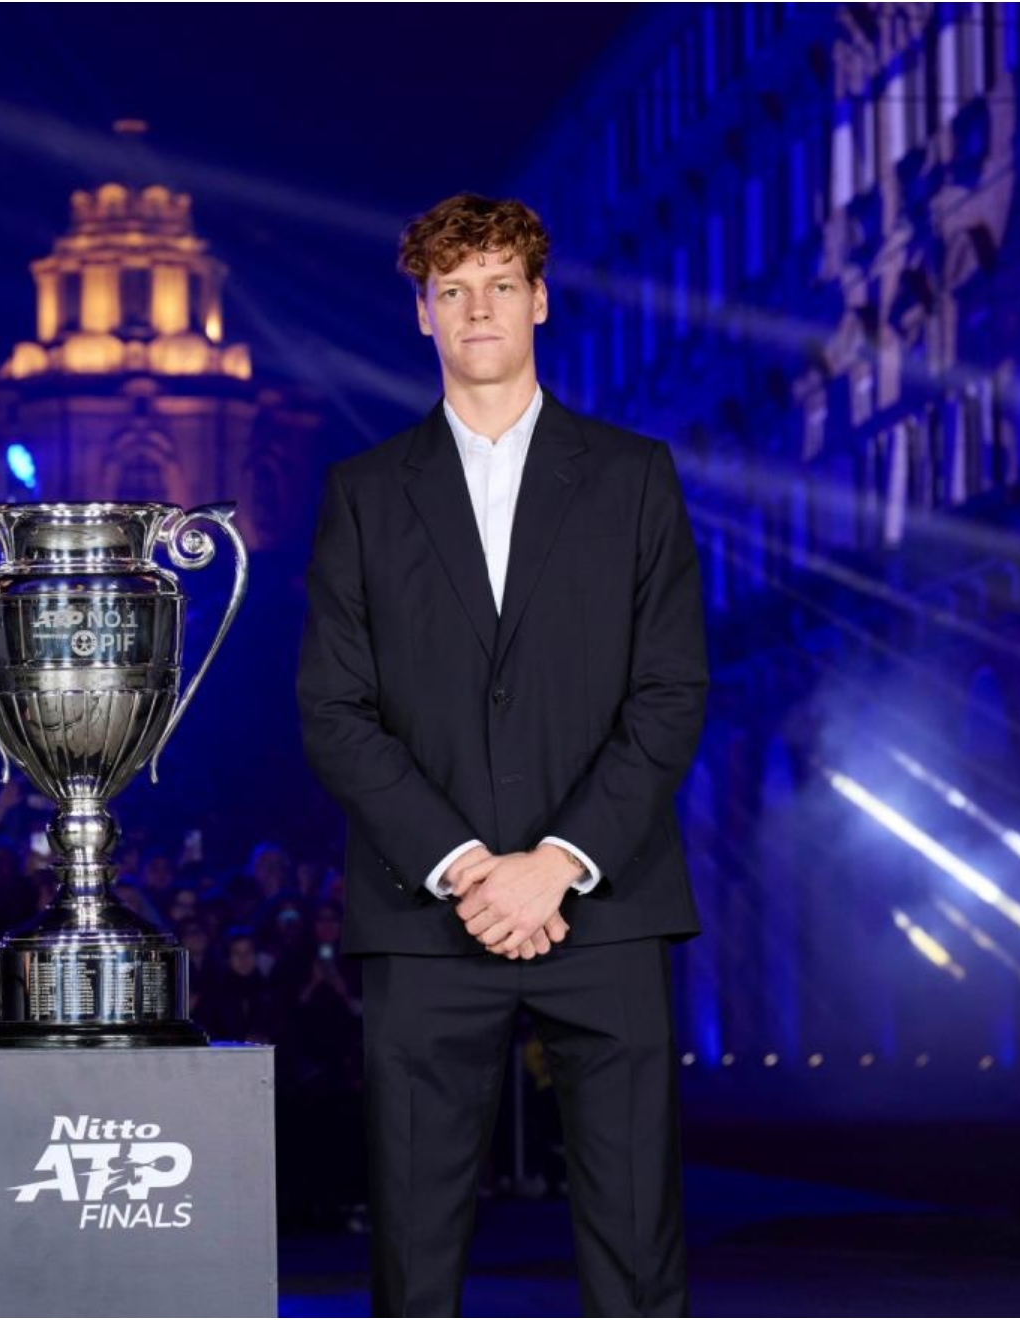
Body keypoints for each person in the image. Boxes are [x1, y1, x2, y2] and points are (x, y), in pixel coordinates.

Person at [296, 193, 707, 1316]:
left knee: (636, 1244)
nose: (478, 307)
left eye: (498, 283)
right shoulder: (365, 494)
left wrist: (558, 859)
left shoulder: (633, 477)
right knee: (415, 1257)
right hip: (428, 908)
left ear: (539, 299)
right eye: (452, 289)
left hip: (605, 903)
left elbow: (670, 693)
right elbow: (333, 707)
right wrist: (468, 865)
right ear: (422, 314)